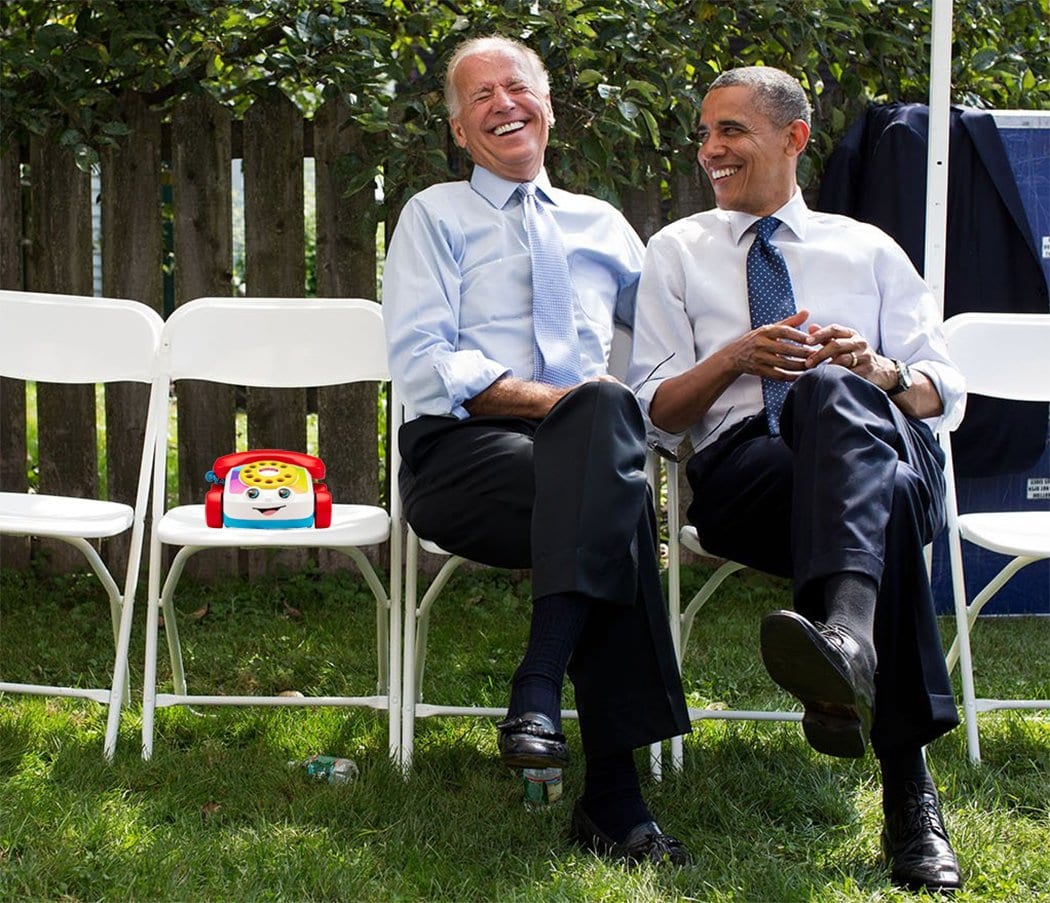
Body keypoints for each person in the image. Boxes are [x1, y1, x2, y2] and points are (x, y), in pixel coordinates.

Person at [627, 66, 966, 893]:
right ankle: (908, 789)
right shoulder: (677, 251)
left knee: (835, 395)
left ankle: (848, 643)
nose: (710, 149)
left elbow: (944, 390)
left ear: (794, 138)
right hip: (751, 476)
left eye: (730, 130)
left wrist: (878, 371)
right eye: (704, 133)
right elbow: (655, 412)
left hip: (885, 440)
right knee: (880, 495)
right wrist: (735, 358)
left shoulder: (868, 247)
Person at [383, 35, 691, 866]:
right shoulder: (434, 217)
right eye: (479, 96)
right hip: (465, 457)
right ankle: (613, 794)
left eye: (516, 86)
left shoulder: (604, 226)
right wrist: (569, 405)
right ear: (458, 130)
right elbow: (423, 363)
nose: (503, 104)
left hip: (584, 459)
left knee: (607, 467)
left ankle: (539, 695)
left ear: (548, 105)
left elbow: (667, 344)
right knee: (612, 479)